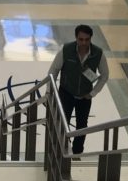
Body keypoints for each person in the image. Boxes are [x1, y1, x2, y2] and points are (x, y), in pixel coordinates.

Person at [46, 24, 110, 155]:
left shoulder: (98, 54)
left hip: (84, 96)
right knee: (63, 123)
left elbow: (105, 75)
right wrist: (50, 91)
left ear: (91, 38)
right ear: (76, 38)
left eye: (87, 39)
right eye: (81, 39)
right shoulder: (66, 50)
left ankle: (77, 152)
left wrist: (92, 93)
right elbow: (54, 70)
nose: (84, 43)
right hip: (66, 93)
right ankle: (63, 149)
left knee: (82, 125)